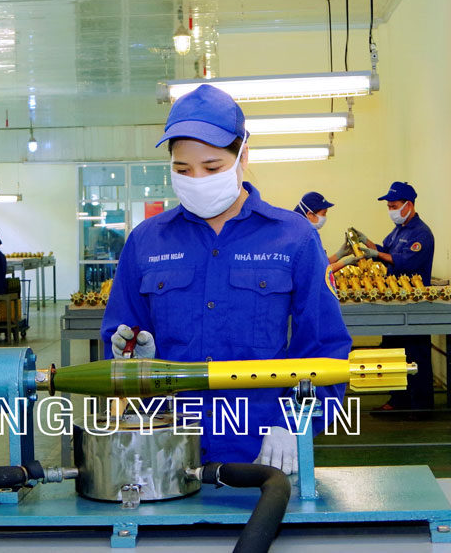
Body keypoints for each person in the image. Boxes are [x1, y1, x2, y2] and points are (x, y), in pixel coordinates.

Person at [100, 84, 352, 473]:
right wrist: (130, 365)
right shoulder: (146, 242)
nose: (197, 179)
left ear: (242, 156)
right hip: (166, 451)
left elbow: (326, 348)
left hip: (262, 452)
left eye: (212, 167)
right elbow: (118, 343)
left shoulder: (294, 238)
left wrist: (295, 423)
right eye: (183, 170)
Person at [351, 181, 435, 413]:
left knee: (415, 353)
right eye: (389, 206)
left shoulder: (421, 233)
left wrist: (376, 253)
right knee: (393, 350)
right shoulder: (399, 230)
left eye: (394, 206)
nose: (391, 210)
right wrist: (365, 241)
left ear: (409, 205)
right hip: (395, 301)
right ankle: (397, 401)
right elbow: (384, 250)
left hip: (413, 304)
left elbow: (406, 261)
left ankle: (420, 407)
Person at [295, 191, 357, 273]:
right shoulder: (302, 237)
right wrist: (345, 263)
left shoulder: (309, 232)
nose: (325, 217)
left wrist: (339, 254)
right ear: (310, 214)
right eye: (323, 214)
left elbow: (320, 264)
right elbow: (317, 271)